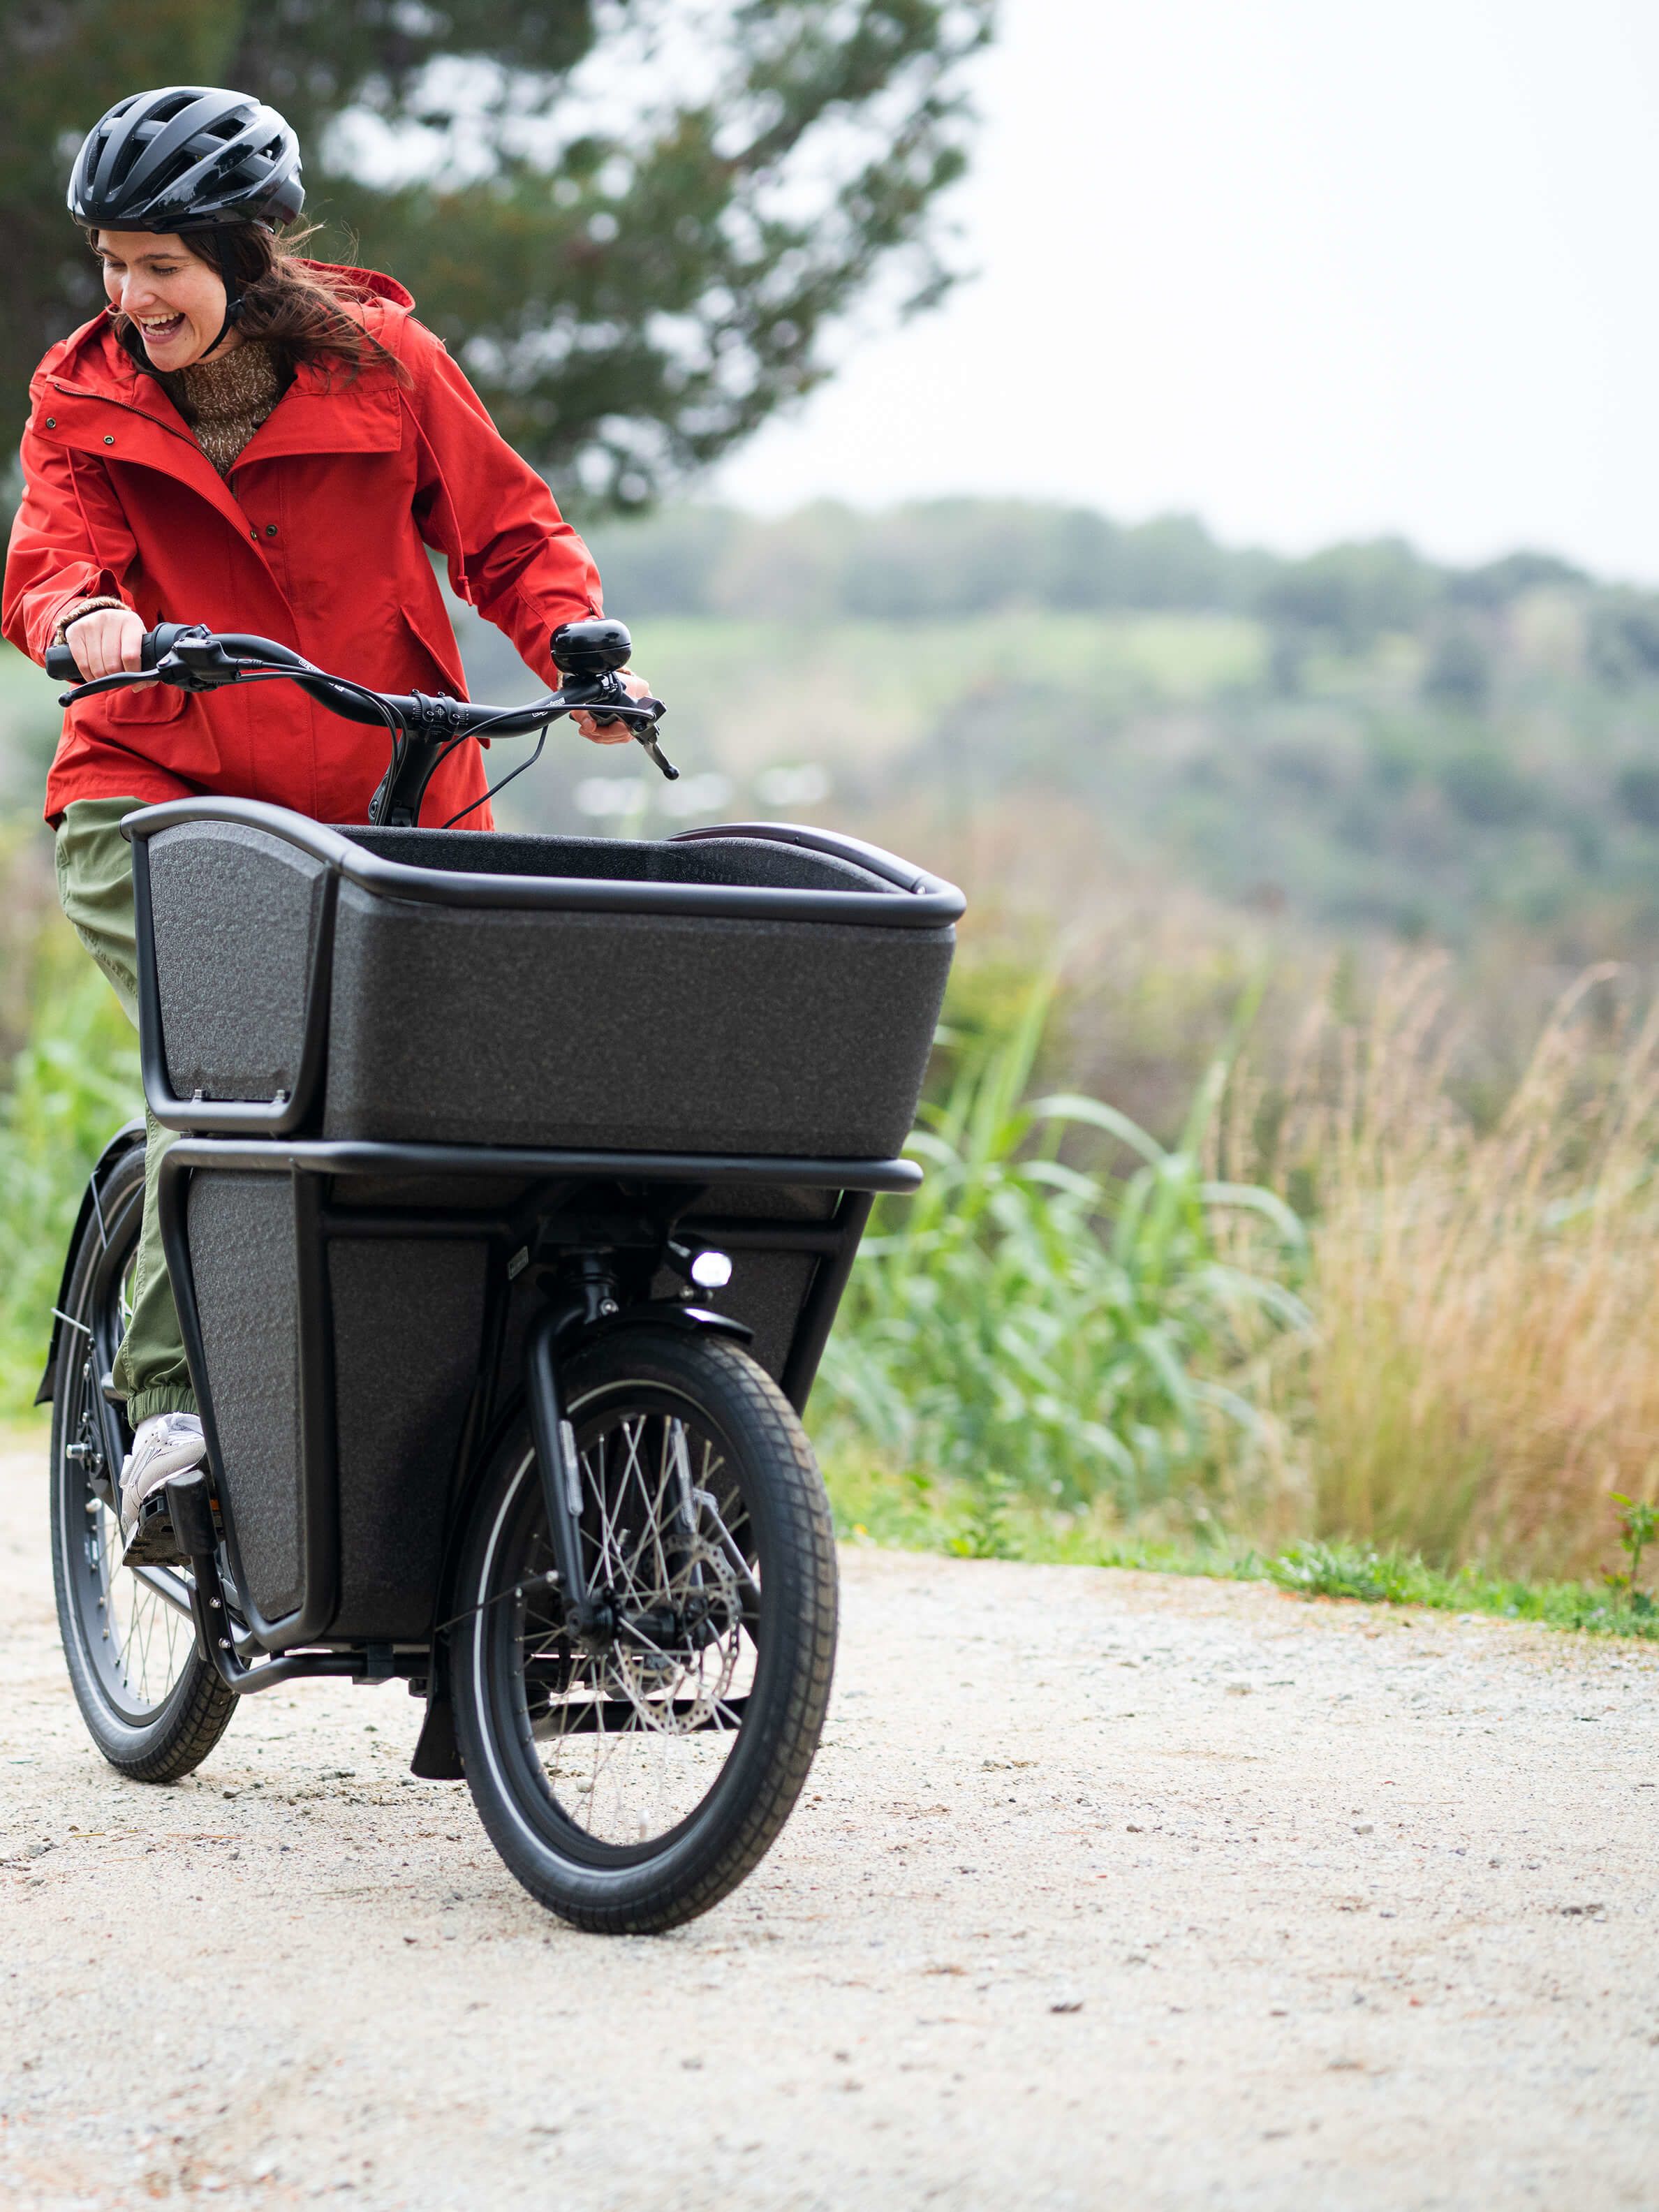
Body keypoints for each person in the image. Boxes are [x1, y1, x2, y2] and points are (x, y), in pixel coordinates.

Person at [1, 85, 651, 1558]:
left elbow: (508, 531)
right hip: (156, 787)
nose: (130, 295)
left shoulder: (390, 363)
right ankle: (168, 1424)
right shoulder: (82, 390)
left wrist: (575, 650)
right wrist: (86, 617)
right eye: (111, 262)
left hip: (392, 783)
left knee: (468, 1101)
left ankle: (513, 1429)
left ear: (242, 254)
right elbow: (50, 556)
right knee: (237, 1068)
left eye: (160, 264)